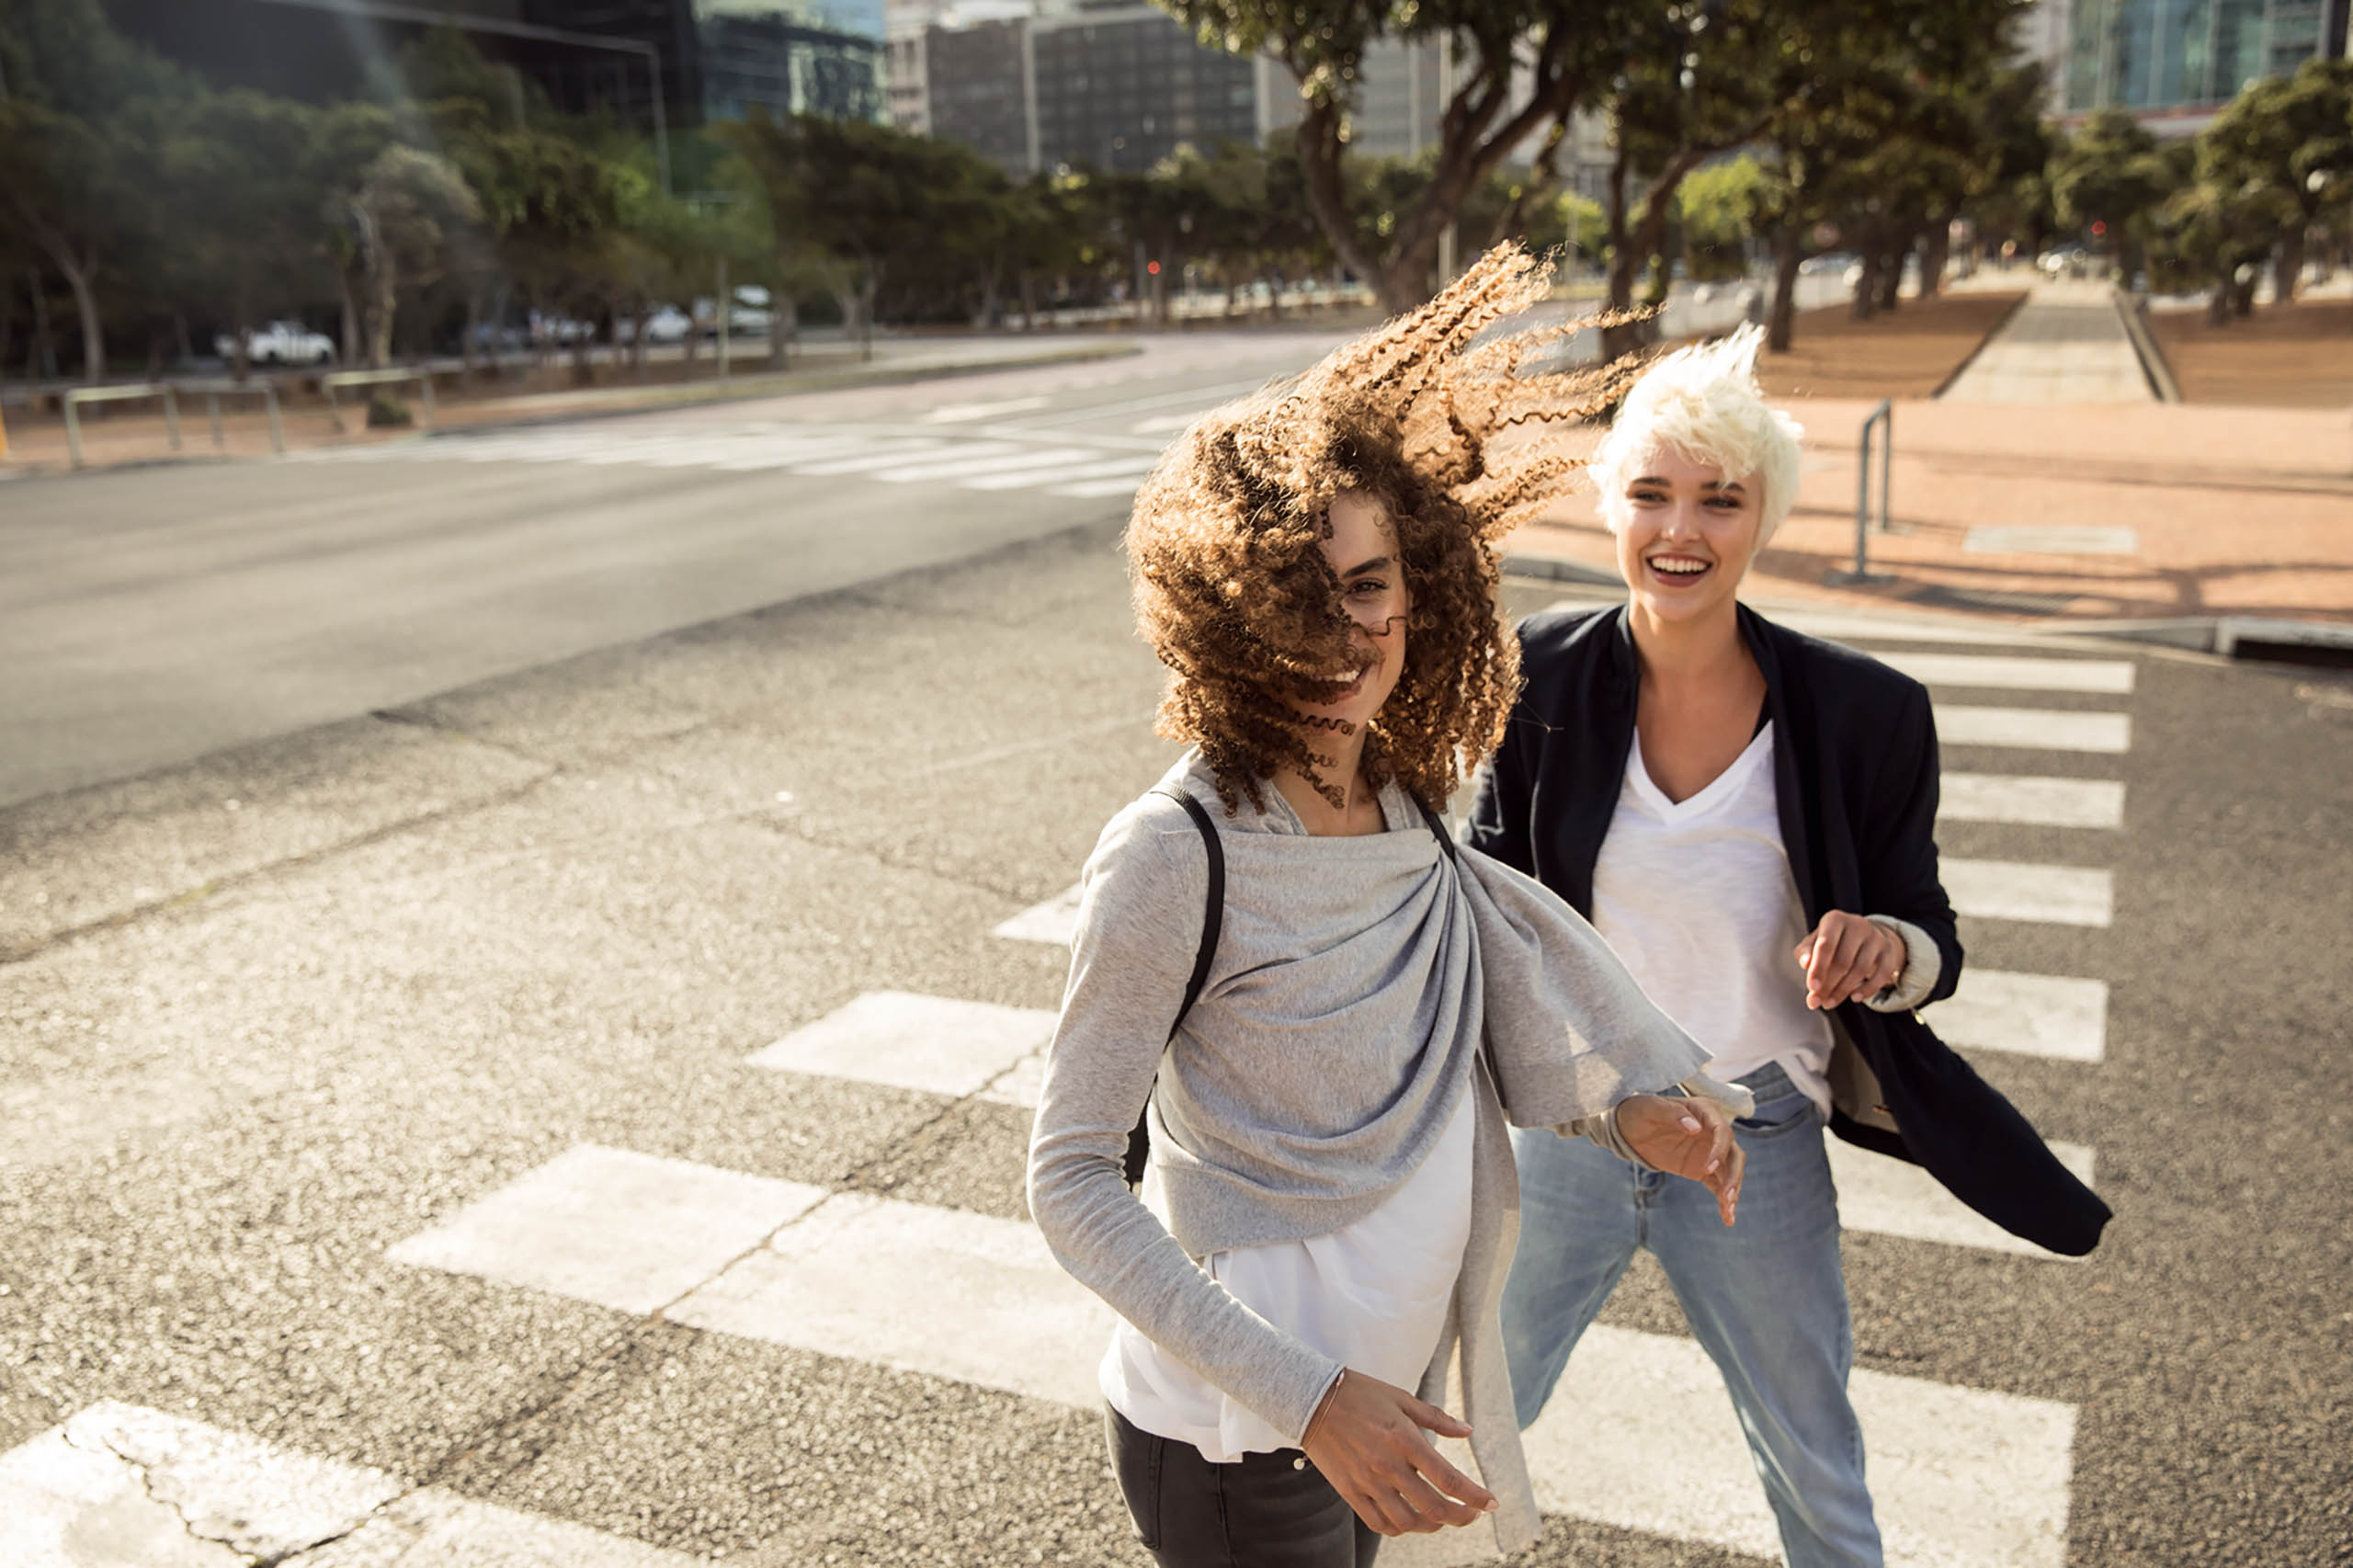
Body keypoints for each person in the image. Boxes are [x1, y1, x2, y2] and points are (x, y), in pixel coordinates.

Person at [1026, 245, 1756, 1567]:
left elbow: (1459, 1012)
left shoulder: (1409, 794)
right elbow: (1070, 1180)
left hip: (1384, 1404)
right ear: (1224, 617)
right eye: (1292, 603)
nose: (1339, 638)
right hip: (1246, 1436)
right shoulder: (1174, 852)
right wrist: (1310, 1402)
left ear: (1419, 586)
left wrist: (1620, 1108)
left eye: (1367, 588)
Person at [1465, 325, 2110, 1568]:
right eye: (1650, 493)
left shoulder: (1865, 711)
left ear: (1765, 515)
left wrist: (1888, 948)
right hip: (1570, 1130)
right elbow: (1491, 918)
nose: (1681, 529)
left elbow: (1934, 938)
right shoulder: (1537, 673)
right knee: (1466, 1421)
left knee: (1813, 1455)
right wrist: (1597, 1104)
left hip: (1755, 1138)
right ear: (1612, 504)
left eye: (1721, 498)